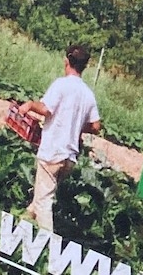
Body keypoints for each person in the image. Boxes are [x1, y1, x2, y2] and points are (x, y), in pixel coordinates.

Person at [23, 43, 102, 231]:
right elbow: (96, 126)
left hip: (53, 151)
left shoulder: (62, 84)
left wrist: (29, 105)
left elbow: (45, 109)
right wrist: (76, 125)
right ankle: (17, 232)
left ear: (67, 60)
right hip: (69, 158)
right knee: (38, 200)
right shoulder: (88, 94)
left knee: (43, 203)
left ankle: (47, 252)